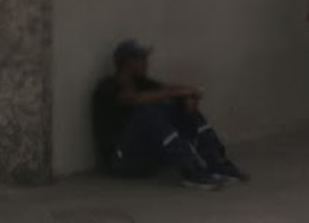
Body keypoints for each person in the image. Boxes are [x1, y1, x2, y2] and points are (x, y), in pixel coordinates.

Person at [103, 40, 247, 189]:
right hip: (122, 160)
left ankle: (216, 162)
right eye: (141, 59)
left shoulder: (142, 83)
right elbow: (134, 99)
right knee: (147, 111)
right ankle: (191, 170)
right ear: (127, 63)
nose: (146, 63)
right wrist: (176, 94)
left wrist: (187, 96)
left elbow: (168, 89)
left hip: (148, 158)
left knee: (179, 106)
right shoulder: (107, 87)